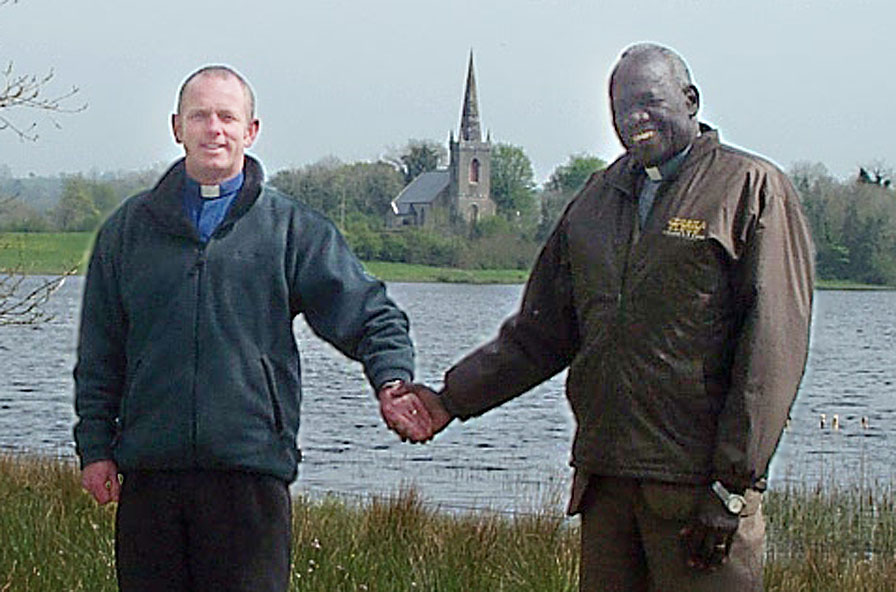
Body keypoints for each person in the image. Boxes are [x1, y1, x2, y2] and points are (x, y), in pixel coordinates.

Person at [386, 43, 815, 591]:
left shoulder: (750, 190)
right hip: (607, 487)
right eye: (621, 108)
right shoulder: (597, 198)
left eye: (650, 102)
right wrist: (450, 400)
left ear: (690, 101)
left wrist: (733, 487)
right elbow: (539, 334)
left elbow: (771, 354)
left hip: (699, 495)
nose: (635, 118)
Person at [73, 64, 429, 591]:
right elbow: (100, 351)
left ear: (250, 130)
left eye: (226, 117)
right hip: (151, 478)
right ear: (177, 128)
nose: (213, 129)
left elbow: (370, 314)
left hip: (250, 477)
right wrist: (96, 447)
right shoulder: (128, 231)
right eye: (199, 116)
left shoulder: (291, 229)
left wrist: (392, 379)